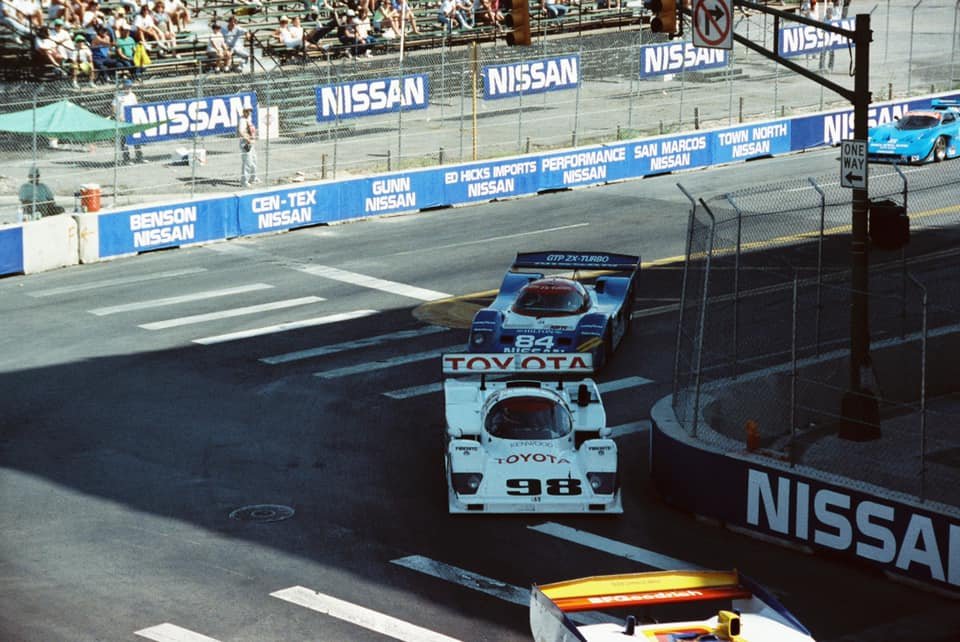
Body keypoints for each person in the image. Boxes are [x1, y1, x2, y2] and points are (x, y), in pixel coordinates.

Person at [113, 79, 144, 164]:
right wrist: (118, 116)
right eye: (127, 87)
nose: (129, 88)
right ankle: (126, 159)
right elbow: (114, 107)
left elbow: (136, 107)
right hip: (122, 121)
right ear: (124, 87)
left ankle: (139, 157)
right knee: (124, 141)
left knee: (136, 139)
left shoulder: (132, 95)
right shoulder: (118, 96)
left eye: (130, 87)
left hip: (132, 120)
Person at [237, 106, 258, 188]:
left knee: (254, 159)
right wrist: (249, 140)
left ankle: (253, 177)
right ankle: (244, 181)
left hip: (250, 143)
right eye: (247, 111)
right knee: (248, 162)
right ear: (243, 111)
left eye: (250, 111)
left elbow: (251, 129)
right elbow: (241, 132)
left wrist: (253, 136)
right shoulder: (242, 120)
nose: (249, 112)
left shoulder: (248, 118)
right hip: (246, 144)